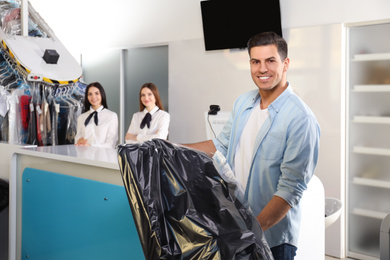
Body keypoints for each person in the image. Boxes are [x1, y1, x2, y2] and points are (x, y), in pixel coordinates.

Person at [184, 32, 320, 260]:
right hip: (236, 228)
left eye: (270, 61)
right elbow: (220, 145)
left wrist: (252, 230)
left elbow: (289, 191)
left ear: (286, 64)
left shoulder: (301, 119)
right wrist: (170, 146)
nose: (262, 69)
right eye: (255, 61)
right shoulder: (243, 102)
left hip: (272, 238)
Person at [75, 82, 118, 148]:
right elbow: (77, 140)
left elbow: (111, 143)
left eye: (96, 93)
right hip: (84, 156)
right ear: (87, 96)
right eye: (90, 94)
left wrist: (91, 146)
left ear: (102, 94)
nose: (93, 97)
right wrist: (79, 142)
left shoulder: (111, 116)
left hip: (103, 157)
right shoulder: (81, 117)